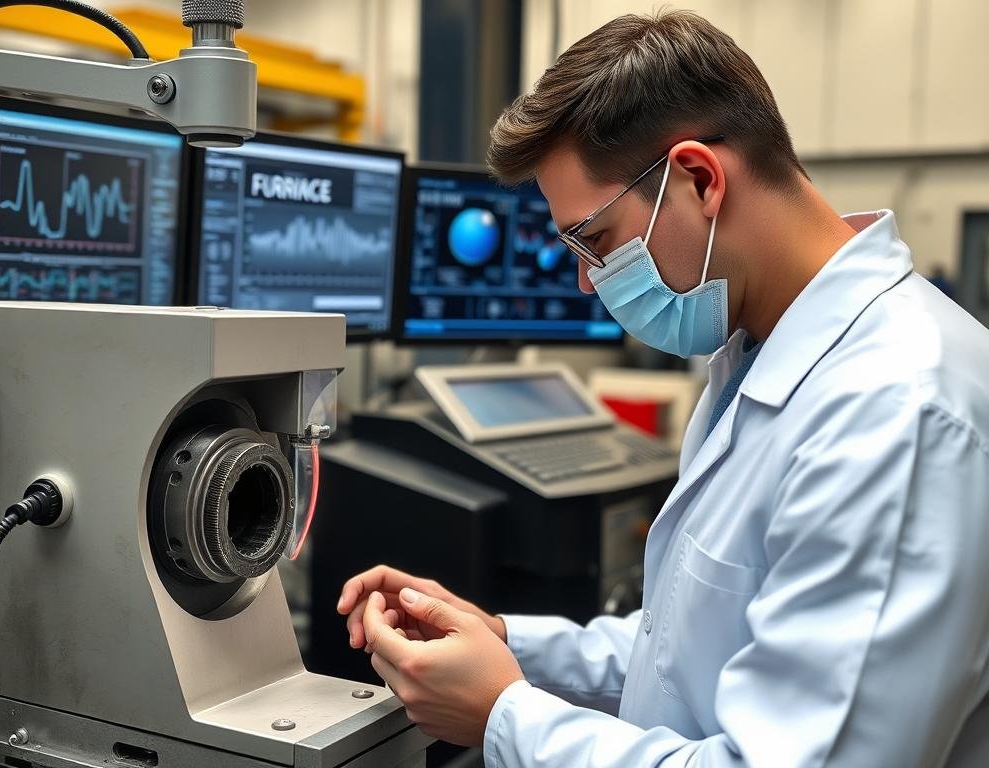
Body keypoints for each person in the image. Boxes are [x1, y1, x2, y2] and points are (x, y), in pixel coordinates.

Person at [337, 11, 989, 767]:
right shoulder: (756, 356)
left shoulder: (897, 411)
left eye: (595, 239)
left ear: (699, 179)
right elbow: (689, 652)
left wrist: (503, 715)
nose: (585, 280)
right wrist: (504, 643)